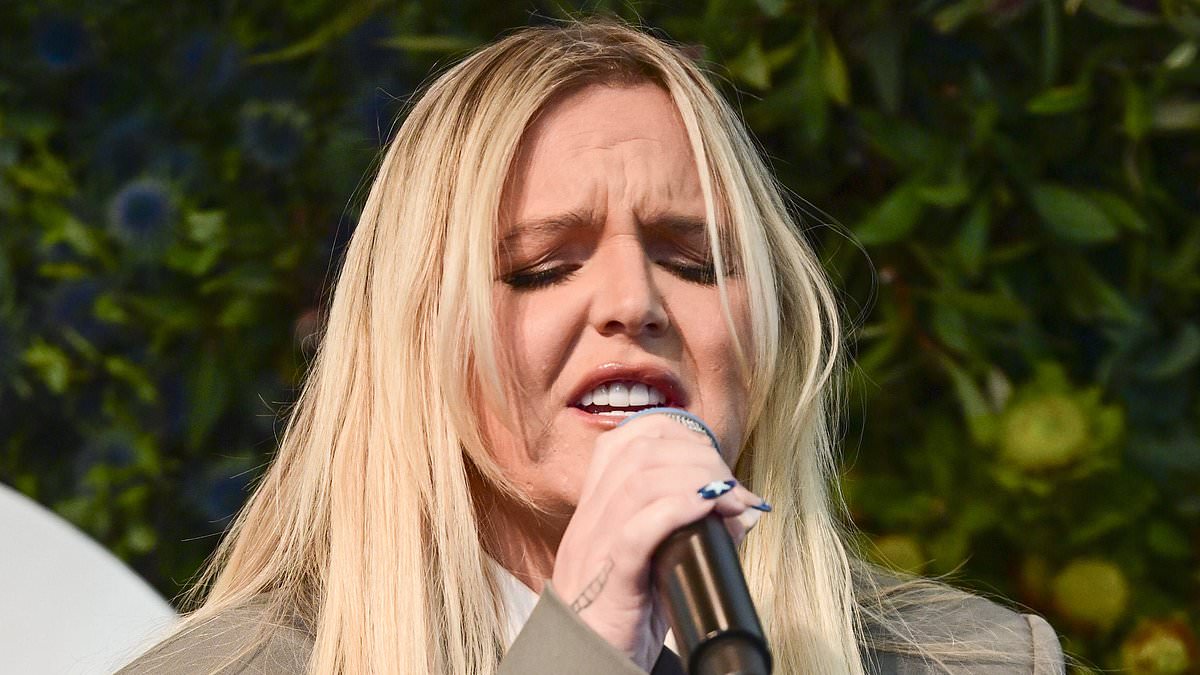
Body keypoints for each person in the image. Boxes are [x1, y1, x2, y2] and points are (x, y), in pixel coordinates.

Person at [118, 19, 1065, 674]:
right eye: (541, 266)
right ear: (416, 340)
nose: (632, 301)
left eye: (693, 260)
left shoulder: (973, 660)